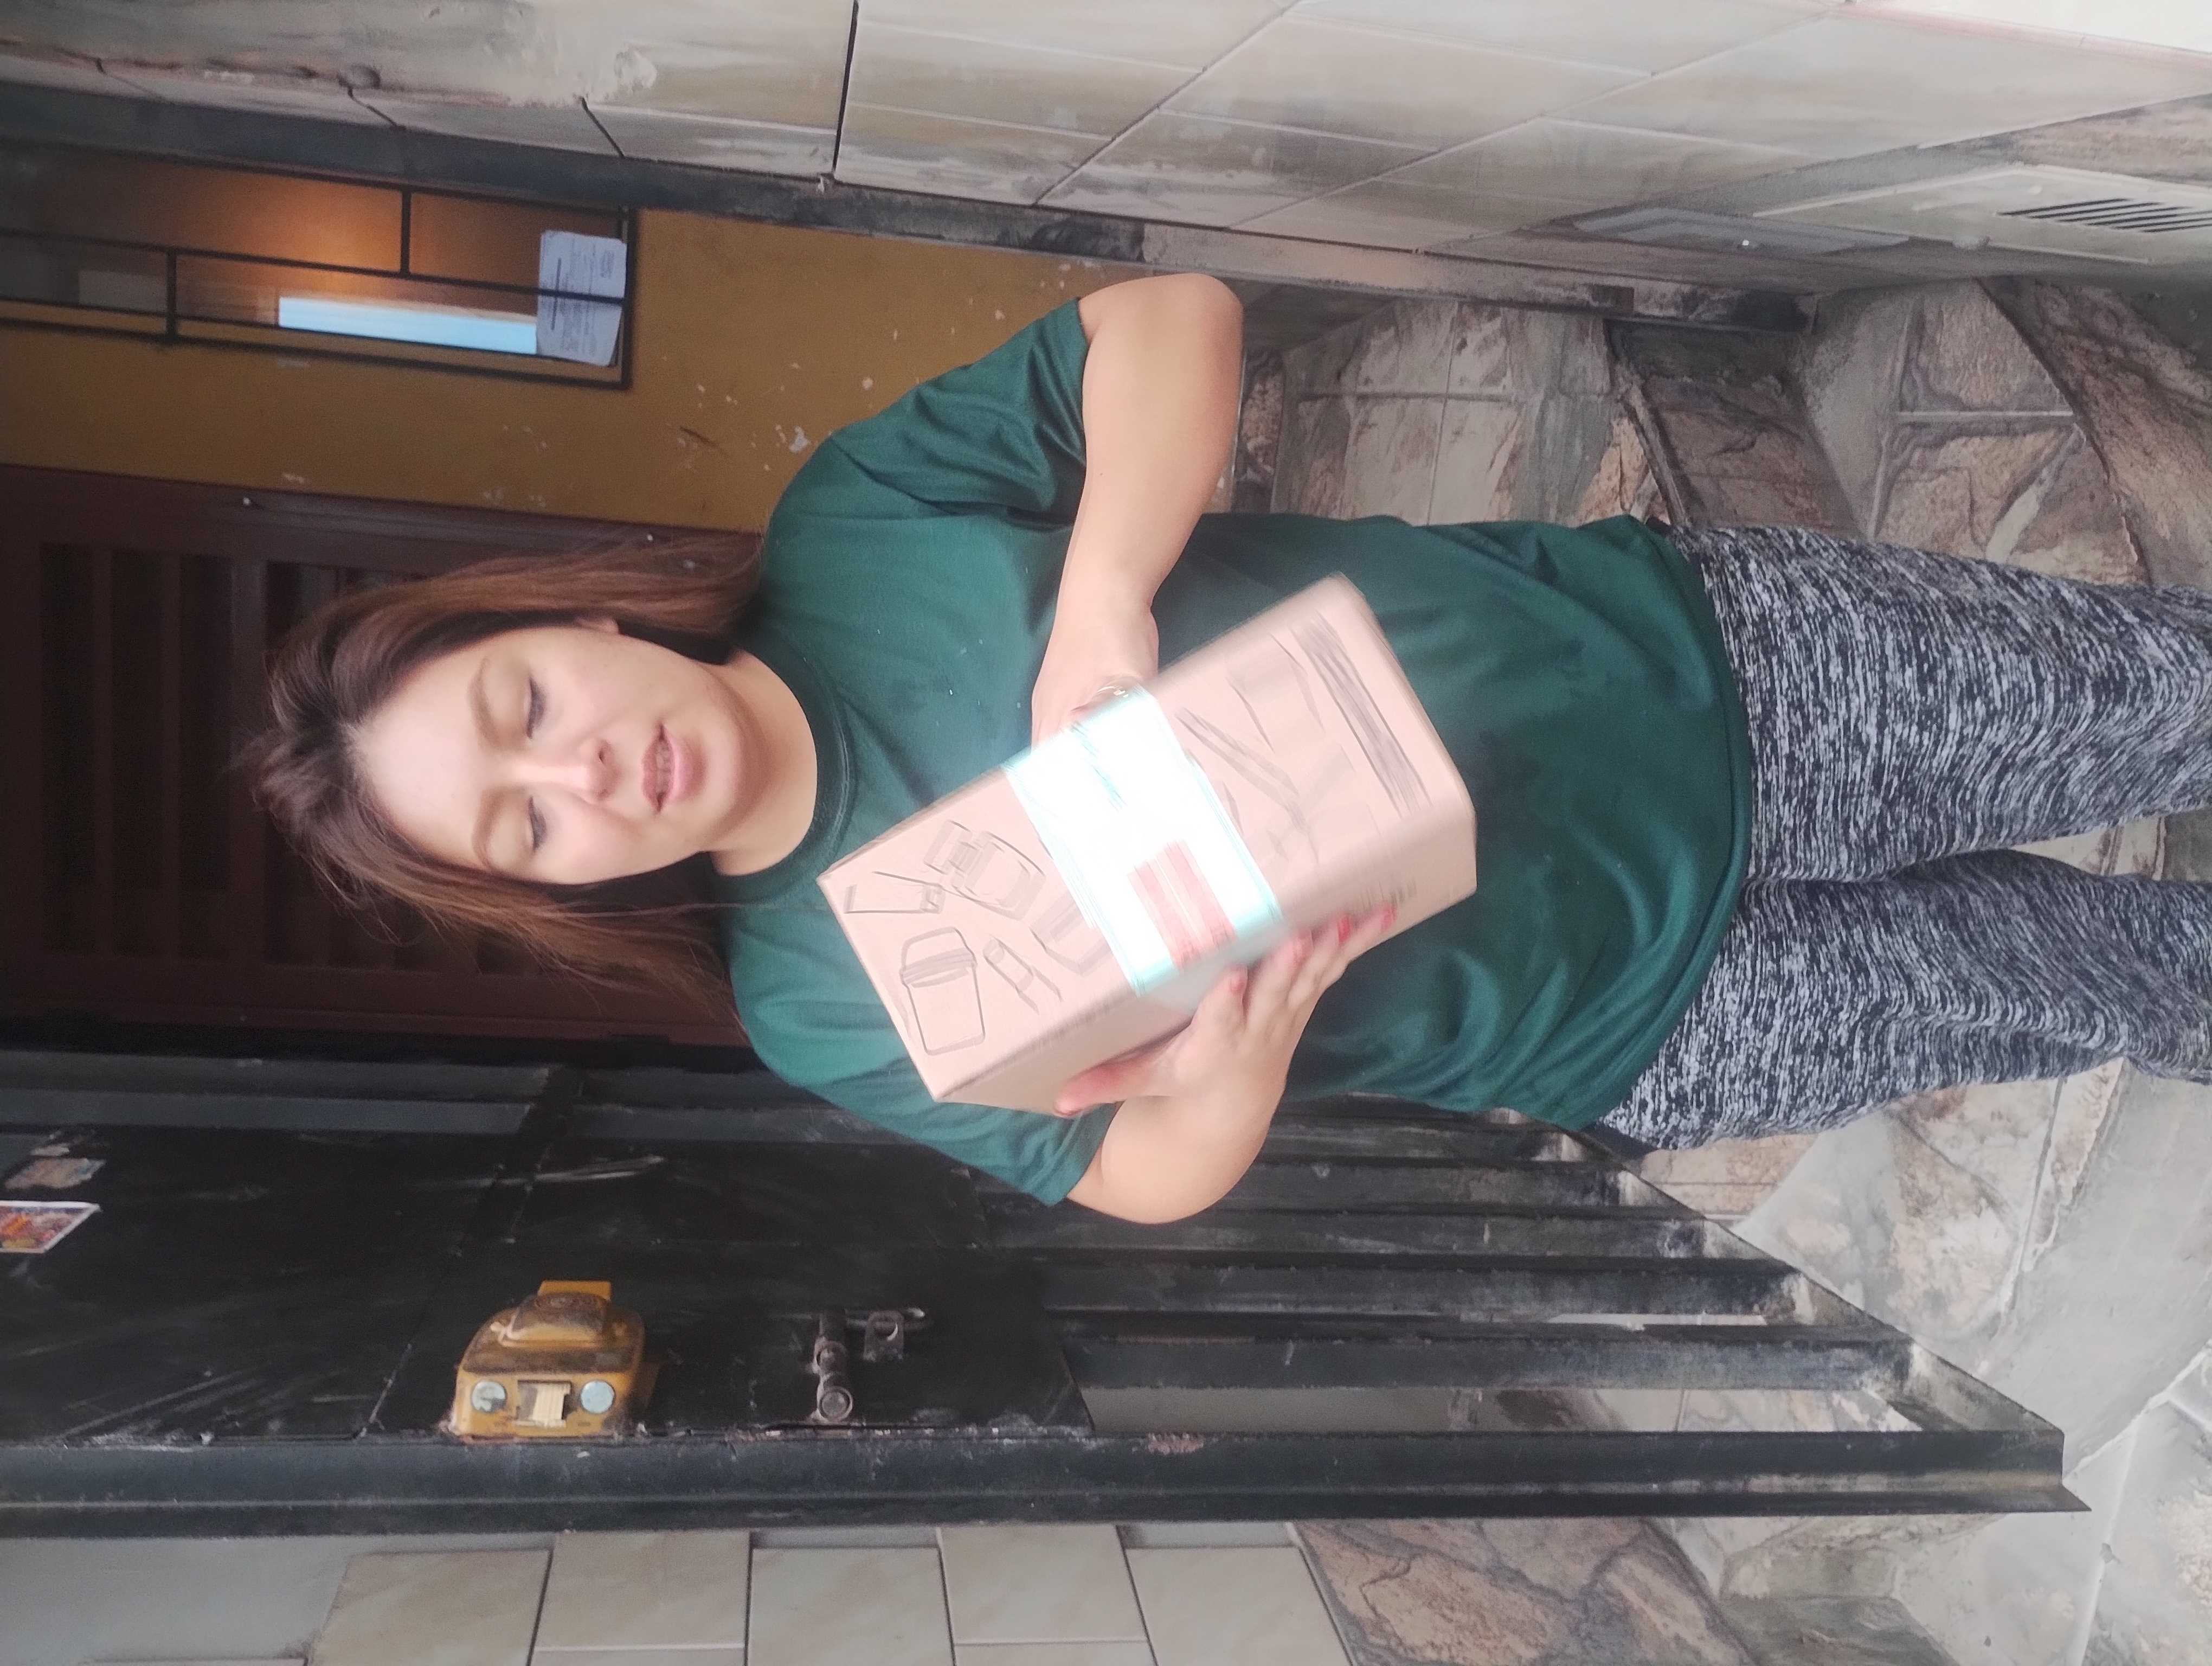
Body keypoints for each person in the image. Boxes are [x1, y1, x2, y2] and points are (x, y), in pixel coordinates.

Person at [250, 274, 2212, 1222]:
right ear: (563, 896)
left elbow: (1166, 318)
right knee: (2122, 982)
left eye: (525, 712)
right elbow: (1132, 1174)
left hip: (1700, 668)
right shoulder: (819, 1001)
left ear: (579, 624)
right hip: (1640, 1013)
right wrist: (1233, 1063)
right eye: (524, 831)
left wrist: (1102, 607)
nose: (584, 779)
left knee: (2164, 699)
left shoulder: (852, 528)